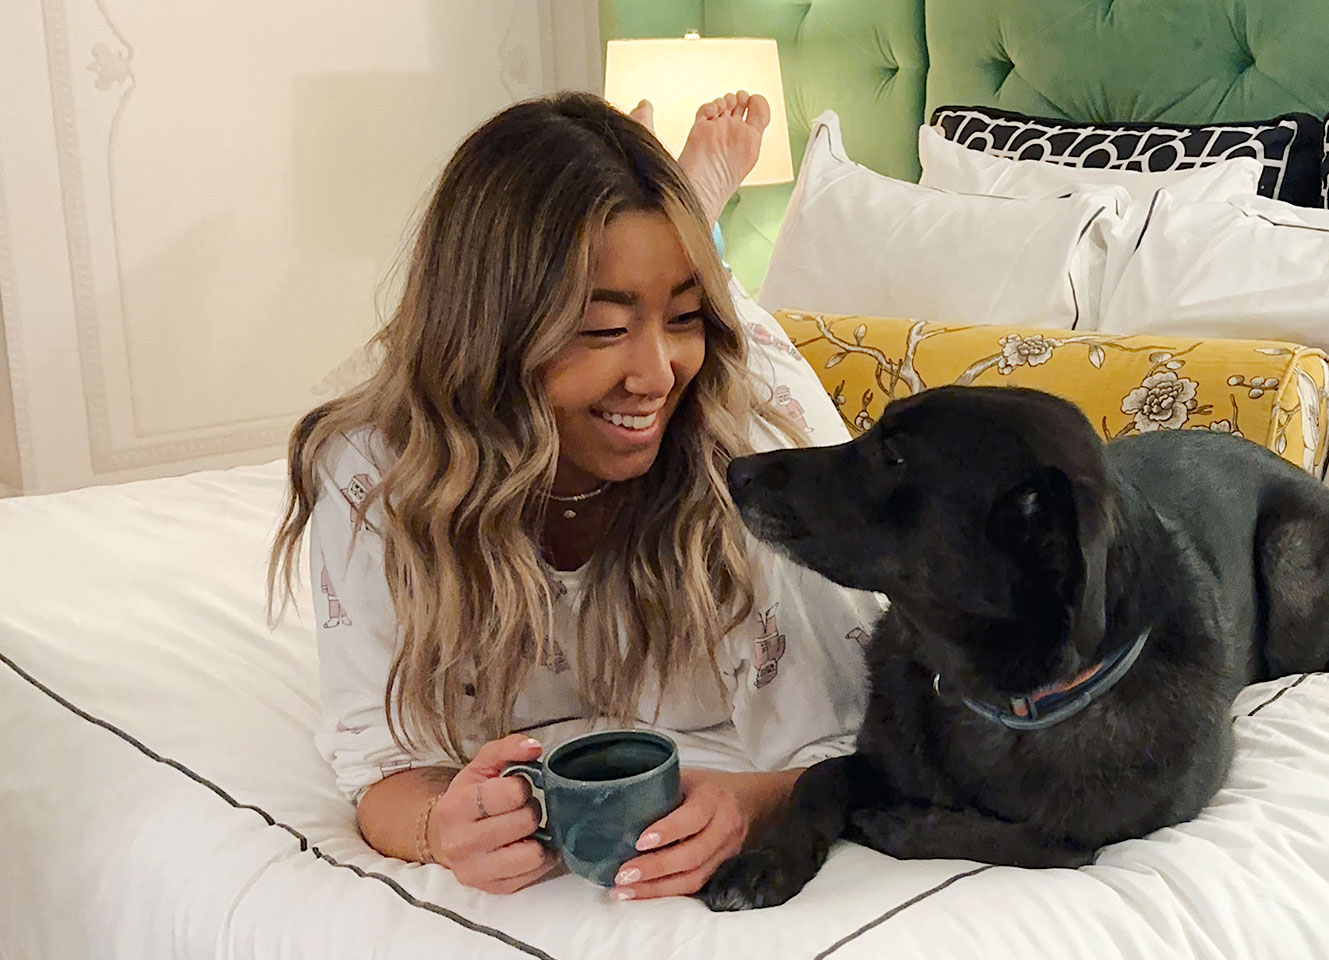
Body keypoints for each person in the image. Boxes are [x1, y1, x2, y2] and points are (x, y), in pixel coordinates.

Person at [268, 90, 880, 901]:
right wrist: (437, 828)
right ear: (491, 332)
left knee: (722, 352)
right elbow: (380, 771)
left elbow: (860, 743)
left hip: (747, 390)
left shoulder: (750, 455)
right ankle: (688, 215)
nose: (658, 372)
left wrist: (753, 805)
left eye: (685, 316)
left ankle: (699, 231)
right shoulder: (372, 475)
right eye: (600, 328)